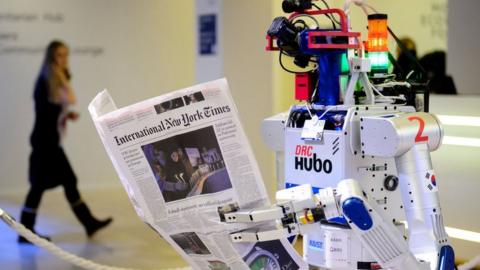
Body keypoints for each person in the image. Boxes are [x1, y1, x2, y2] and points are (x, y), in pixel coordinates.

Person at [18, 40, 112, 244]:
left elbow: (54, 108)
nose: (64, 59)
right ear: (52, 57)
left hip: (50, 142)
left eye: (66, 55)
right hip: (45, 143)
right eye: (60, 55)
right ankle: (25, 231)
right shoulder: (47, 80)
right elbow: (68, 98)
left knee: (66, 181)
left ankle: (88, 223)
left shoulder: (53, 79)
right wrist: (63, 85)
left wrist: (65, 115)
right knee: (39, 186)